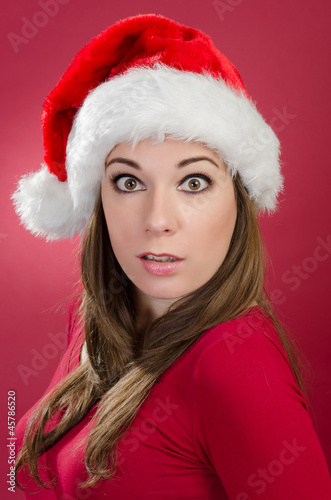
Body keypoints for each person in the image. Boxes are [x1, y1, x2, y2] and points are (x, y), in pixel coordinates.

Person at [11, 13, 331, 500]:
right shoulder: (96, 321)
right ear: (99, 198)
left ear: (239, 201)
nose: (158, 218)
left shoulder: (233, 364)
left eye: (194, 182)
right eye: (129, 181)